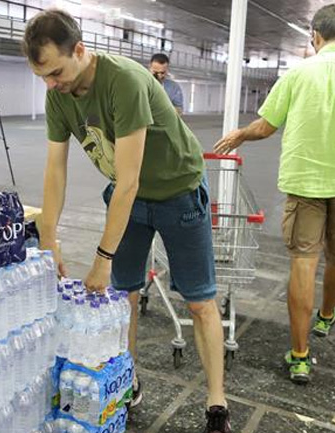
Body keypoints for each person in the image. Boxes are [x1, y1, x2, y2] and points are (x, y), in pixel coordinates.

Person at [23, 9, 232, 433]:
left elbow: (130, 181)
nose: (51, 85)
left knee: (199, 301)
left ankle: (217, 405)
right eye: (42, 77)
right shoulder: (57, 95)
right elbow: (55, 171)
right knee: (124, 297)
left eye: (57, 72)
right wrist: (49, 239)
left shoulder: (125, 80)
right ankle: (127, 381)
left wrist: (102, 256)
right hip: (130, 198)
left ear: (80, 51)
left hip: (176, 190)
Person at [214, 4, 335, 384]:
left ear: (314, 37)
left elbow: (266, 126)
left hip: (304, 184)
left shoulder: (297, 73)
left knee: (303, 262)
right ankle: (327, 316)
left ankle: (299, 355)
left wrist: (239, 135)